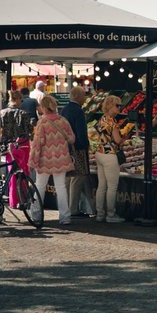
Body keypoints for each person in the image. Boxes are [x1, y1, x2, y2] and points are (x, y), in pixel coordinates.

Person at [28, 93, 77, 227]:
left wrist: (32, 161)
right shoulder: (63, 120)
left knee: (40, 187)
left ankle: (37, 215)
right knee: (61, 188)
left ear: (43, 108)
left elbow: (37, 145)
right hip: (61, 159)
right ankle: (65, 217)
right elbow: (72, 138)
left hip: (44, 160)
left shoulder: (42, 123)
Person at [90, 95, 128, 223]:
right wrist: (125, 138)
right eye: (117, 105)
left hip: (99, 153)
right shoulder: (112, 122)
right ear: (111, 106)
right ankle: (111, 214)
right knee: (112, 186)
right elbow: (117, 141)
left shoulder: (102, 119)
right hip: (109, 155)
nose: (119, 108)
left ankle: (100, 213)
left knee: (102, 185)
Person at [59, 86, 92, 218]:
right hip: (77, 148)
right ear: (78, 96)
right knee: (79, 177)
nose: (85, 98)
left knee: (68, 177)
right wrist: (85, 146)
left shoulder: (64, 109)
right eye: (84, 95)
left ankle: (66, 207)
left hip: (65, 147)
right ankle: (73, 209)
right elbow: (81, 132)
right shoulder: (78, 111)